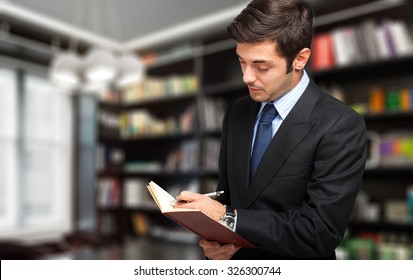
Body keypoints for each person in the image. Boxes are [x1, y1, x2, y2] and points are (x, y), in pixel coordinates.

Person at [175, 0, 367, 260]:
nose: (247, 77)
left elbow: (319, 232)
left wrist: (226, 217)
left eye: (261, 66)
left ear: (300, 59)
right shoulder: (236, 114)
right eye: (242, 61)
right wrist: (215, 238)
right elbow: (226, 197)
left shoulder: (341, 125)